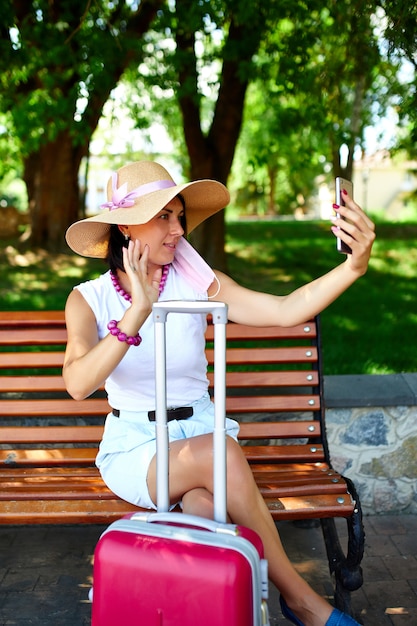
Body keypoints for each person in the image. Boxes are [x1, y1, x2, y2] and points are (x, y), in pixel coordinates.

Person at [64, 160, 375, 626]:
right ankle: (305, 603)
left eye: (180, 215)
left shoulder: (196, 282)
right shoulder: (88, 299)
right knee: (221, 454)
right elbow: (77, 383)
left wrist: (355, 265)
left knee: (206, 512)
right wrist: (138, 312)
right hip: (137, 449)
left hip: (200, 431)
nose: (179, 229)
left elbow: (286, 309)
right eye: (164, 216)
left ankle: (234, 611)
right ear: (126, 226)